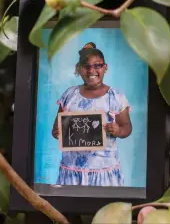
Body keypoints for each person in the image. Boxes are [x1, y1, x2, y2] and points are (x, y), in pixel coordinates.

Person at [52, 42, 132, 187]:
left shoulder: (116, 97)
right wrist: (58, 131)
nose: (91, 70)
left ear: (105, 67)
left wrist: (118, 130)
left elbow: (127, 127)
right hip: (72, 170)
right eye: (86, 66)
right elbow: (56, 128)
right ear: (79, 69)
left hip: (104, 170)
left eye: (97, 65)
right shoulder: (70, 95)